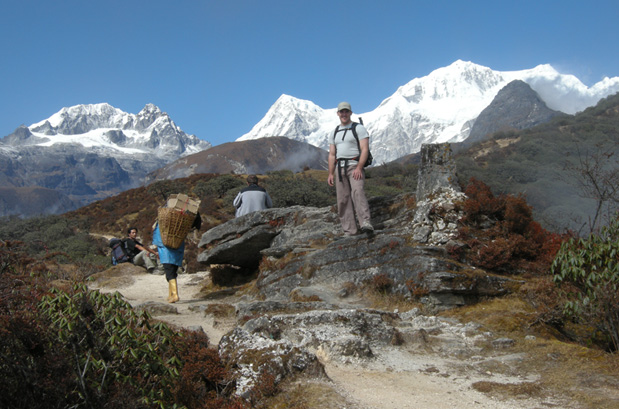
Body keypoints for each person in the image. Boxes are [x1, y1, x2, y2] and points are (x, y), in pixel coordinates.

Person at [327, 102, 374, 236]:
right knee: (342, 199)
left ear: (350, 113)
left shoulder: (358, 128)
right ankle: (349, 231)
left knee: (358, 191)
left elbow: (365, 149)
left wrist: (359, 167)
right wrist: (330, 173)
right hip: (339, 168)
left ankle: (365, 223)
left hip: (354, 166)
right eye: (341, 112)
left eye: (346, 111)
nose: (344, 114)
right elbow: (331, 154)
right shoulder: (334, 132)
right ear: (338, 114)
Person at [152, 212, 201, 303]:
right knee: (173, 270)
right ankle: (171, 294)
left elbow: (158, 237)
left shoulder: (164, 220)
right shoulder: (177, 222)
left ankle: (175, 295)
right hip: (177, 244)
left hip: (166, 248)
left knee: (169, 271)